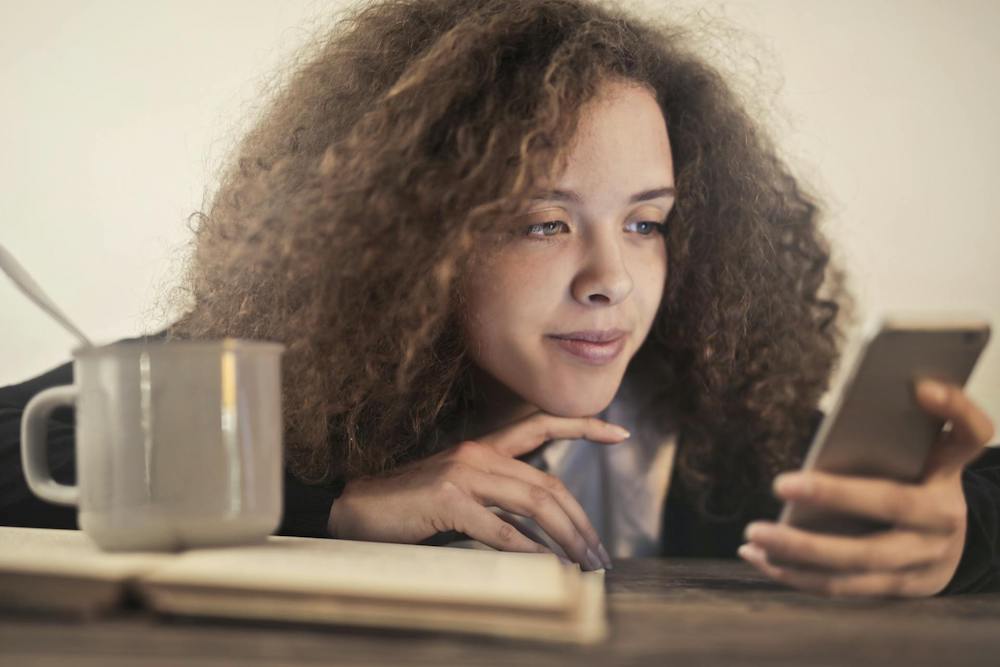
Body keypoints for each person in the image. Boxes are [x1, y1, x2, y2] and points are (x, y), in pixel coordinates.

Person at [2, 0, 998, 597]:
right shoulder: (266, 379)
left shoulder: (714, 414)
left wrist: (958, 532)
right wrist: (334, 506)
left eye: (646, 221)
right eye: (540, 222)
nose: (611, 275)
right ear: (406, 237)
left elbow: (951, 502)